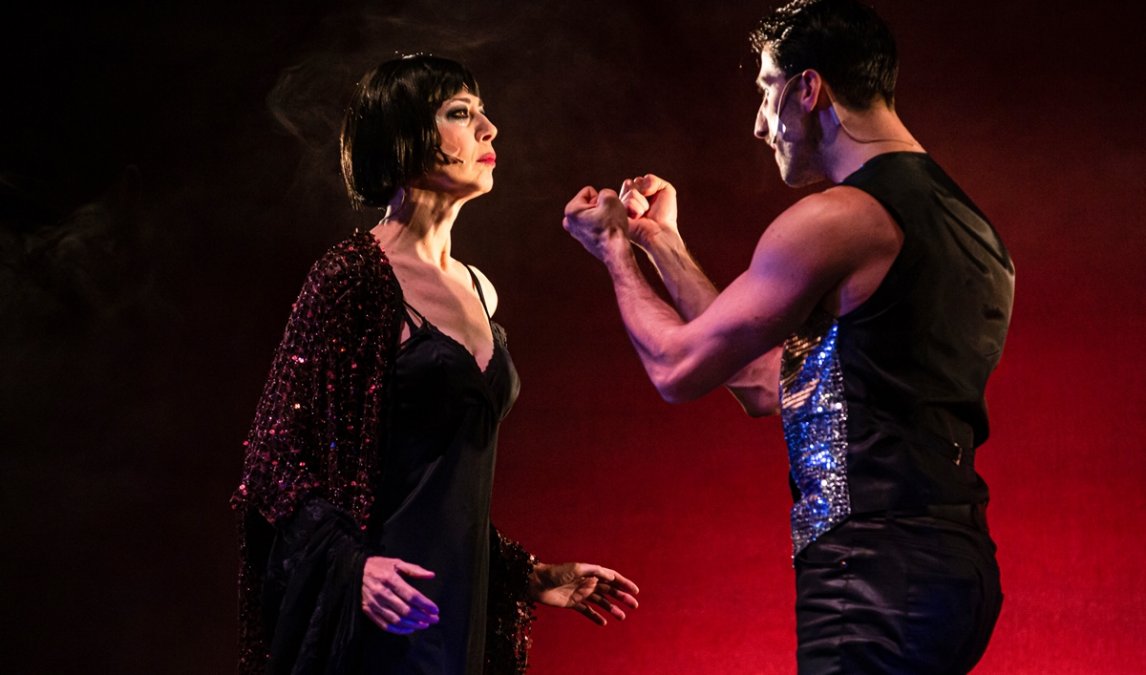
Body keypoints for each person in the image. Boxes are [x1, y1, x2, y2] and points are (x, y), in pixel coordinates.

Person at [561, 0, 1013, 672]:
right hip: (949, 569)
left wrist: (612, 251)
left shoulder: (840, 219)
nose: (758, 123)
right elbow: (766, 381)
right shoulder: (971, 228)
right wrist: (660, 242)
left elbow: (676, 368)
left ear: (808, 89)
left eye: (766, 91)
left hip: (871, 573)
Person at [232, 54, 639, 675]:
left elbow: (440, 488)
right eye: (460, 113)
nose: (489, 129)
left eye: (481, 112)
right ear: (403, 138)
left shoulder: (479, 289)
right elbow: (272, 459)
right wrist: (352, 566)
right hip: (380, 611)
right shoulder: (353, 277)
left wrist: (528, 575)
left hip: (454, 608)